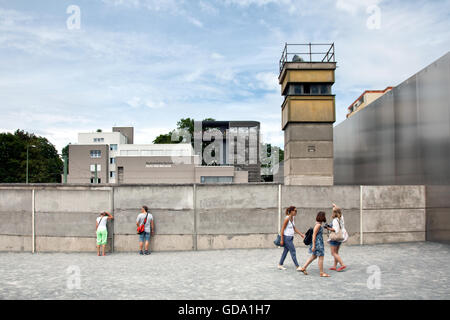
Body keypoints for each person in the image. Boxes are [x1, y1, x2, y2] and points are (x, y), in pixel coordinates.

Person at [298, 211, 333, 277]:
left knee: (314, 256)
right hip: (318, 244)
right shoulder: (318, 225)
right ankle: (321, 272)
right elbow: (314, 235)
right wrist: (313, 246)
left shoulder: (318, 224)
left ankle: (304, 267)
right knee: (321, 257)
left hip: (317, 243)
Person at [278, 206, 305, 271]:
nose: (296, 212)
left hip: (290, 237)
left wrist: (301, 234)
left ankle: (280, 264)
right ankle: (297, 266)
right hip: (287, 238)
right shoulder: (287, 219)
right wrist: (282, 239)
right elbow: (282, 230)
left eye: (296, 211)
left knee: (285, 251)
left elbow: (294, 228)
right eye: (295, 211)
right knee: (293, 251)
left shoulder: (292, 218)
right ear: (291, 211)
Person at [328, 203, 347, 272]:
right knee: (336, 252)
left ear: (334, 213)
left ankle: (342, 264)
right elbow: (339, 210)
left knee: (333, 253)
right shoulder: (341, 218)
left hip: (335, 238)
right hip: (340, 237)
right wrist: (335, 206)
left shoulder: (335, 220)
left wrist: (328, 228)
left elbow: (335, 230)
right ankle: (334, 266)